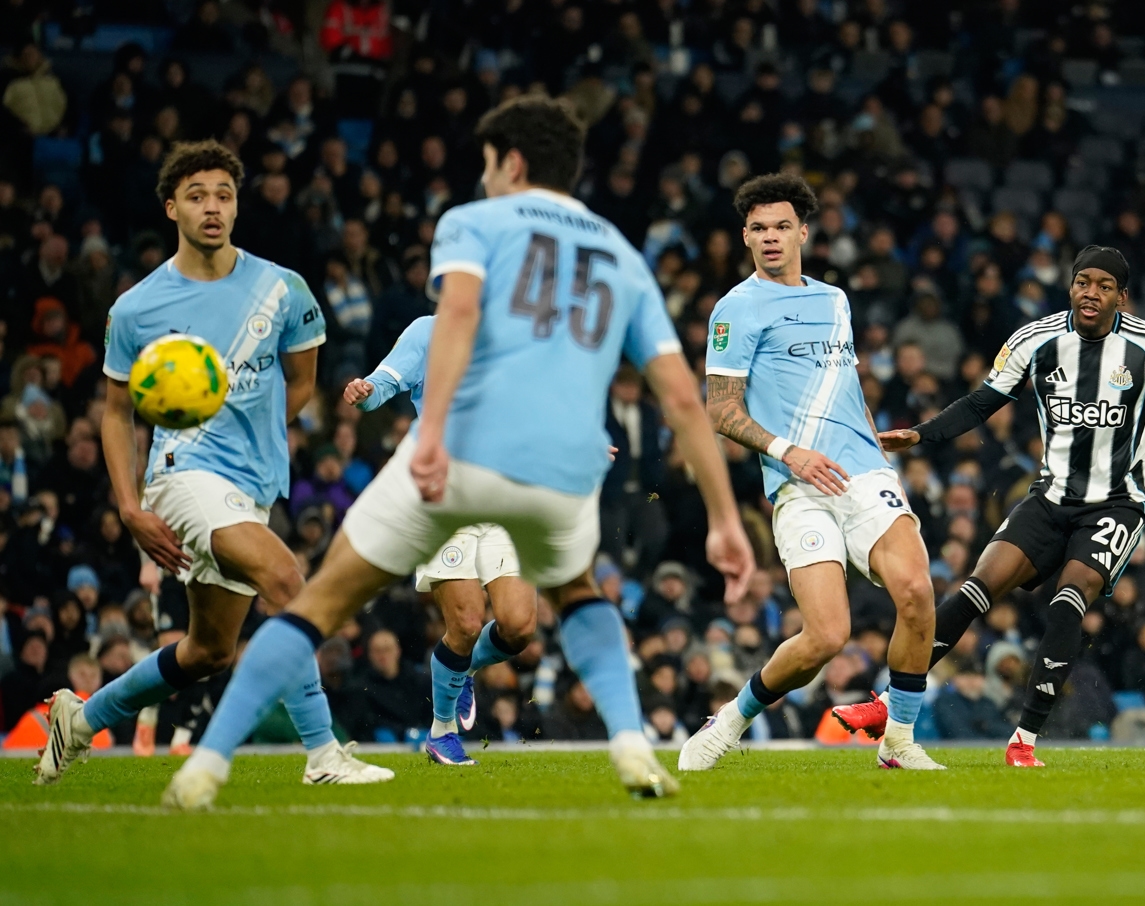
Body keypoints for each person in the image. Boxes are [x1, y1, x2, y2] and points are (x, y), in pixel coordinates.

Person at [163, 96, 754, 808]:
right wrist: (724, 517)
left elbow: (461, 314)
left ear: (511, 162)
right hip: (554, 469)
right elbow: (684, 398)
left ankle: (207, 763)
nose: (483, 175)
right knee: (576, 595)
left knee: (317, 602)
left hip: (460, 455)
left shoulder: (474, 222)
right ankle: (629, 740)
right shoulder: (619, 252)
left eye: (485, 161)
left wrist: (434, 429)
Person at [832, 245, 1145, 766]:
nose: (1091, 292)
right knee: (978, 584)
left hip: (1118, 502)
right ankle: (888, 705)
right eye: (1083, 281)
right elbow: (981, 403)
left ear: (1121, 297)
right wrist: (922, 436)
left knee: (1071, 594)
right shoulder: (1034, 340)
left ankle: (1024, 740)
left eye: (1104, 285)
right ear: (1071, 287)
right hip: (1051, 495)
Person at [35, 140, 391, 788]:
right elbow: (117, 414)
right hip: (181, 472)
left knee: (208, 652)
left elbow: (302, 381)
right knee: (288, 577)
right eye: (197, 195)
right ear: (171, 206)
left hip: (253, 481)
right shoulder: (137, 307)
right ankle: (323, 753)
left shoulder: (283, 289)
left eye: (223, 195)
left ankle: (79, 722)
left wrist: (253, 429)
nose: (212, 207)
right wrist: (129, 506)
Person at [678, 173, 941, 773]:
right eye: (758, 229)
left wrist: (871, 434)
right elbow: (719, 408)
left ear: (803, 232)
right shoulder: (735, 309)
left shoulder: (835, 300)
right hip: (797, 485)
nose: (770, 238)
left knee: (917, 591)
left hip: (864, 473)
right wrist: (787, 450)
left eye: (780, 227)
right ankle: (733, 719)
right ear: (745, 237)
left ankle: (898, 741)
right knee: (825, 637)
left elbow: (842, 384)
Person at [343, 315, 537, 766]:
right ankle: (442, 731)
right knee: (466, 624)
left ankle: (462, 666)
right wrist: (365, 393)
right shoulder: (428, 331)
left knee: (520, 626)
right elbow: (385, 382)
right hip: (443, 498)